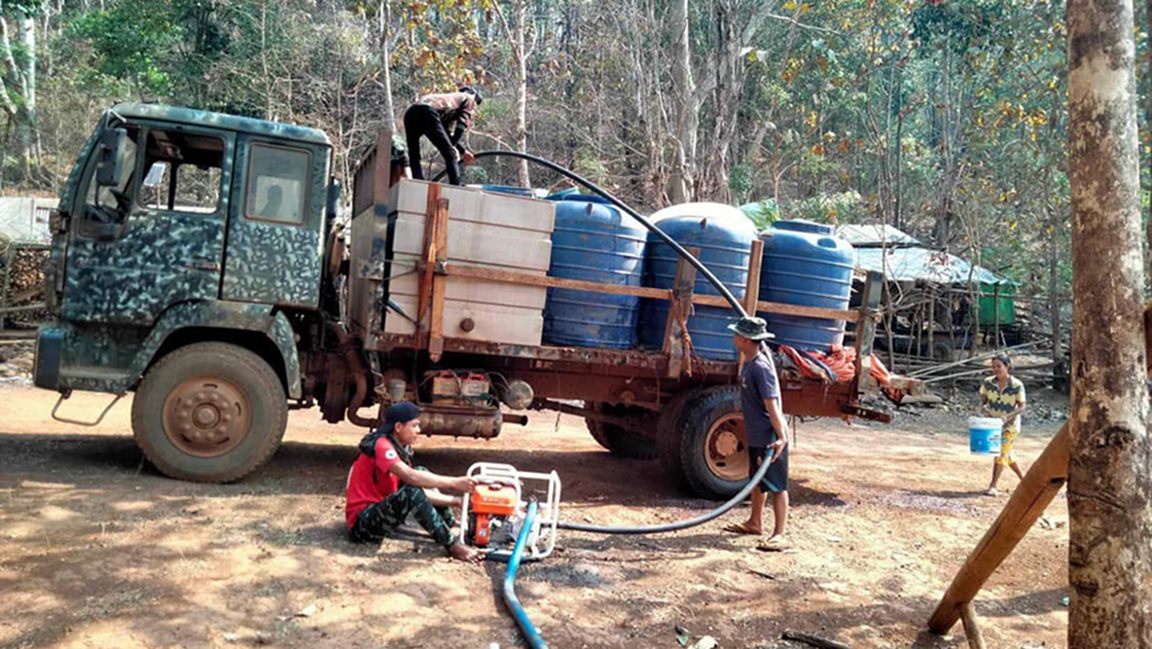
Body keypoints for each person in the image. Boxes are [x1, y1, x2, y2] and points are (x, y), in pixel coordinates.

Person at [345, 402, 484, 563]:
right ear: (398, 427)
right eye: (414, 426)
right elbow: (410, 478)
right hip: (362, 525)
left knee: (421, 472)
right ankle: (452, 546)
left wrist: (456, 501)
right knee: (414, 485)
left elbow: (416, 486)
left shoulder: (396, 447)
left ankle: (450, 524)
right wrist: (454, 482)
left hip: (376, 513)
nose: (419, 431)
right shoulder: (382, 445)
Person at [723, 316, 793, 550]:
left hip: (769, 437)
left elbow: (772, 405)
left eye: (736, 334)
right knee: (757, 481)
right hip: (756, 435)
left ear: (745, 340)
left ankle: (780, 533)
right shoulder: (750, 363)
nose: (733, 337)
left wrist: (781, 437)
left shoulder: (761, 368)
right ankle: (755, 522)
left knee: (777, 486)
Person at [402, 86, 482, 186]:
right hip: (428, 112)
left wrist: (462, 151)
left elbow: (446, 135)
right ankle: (456, 187)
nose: (473, 108)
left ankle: (418, 183)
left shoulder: (447, 102)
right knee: (451, 155)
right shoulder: (469, 97)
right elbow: (461, 125)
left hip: (411, 113)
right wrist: (452, 149)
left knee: (414, 154)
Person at [980, 353, 1027, 496]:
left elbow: (1022, 407)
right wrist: (983, 408)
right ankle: (1024, 481)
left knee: (1000, 452)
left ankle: (993, 485)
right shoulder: (988, 383)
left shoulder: (1017, 385)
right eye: (993, 366)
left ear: (1008, 367)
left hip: (1010, 426)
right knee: (1007, 454)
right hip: (994, 424)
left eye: (999, 366)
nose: (995, 369)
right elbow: (984, 399)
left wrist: (1007, 416)